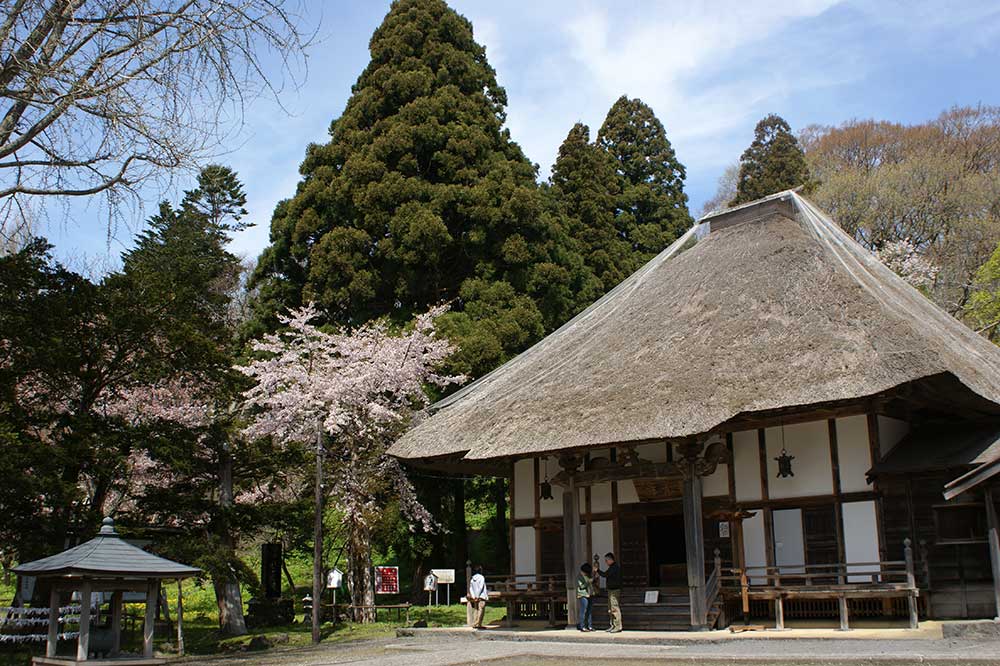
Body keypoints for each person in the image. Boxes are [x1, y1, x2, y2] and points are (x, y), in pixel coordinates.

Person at [597, 552, 622, 632]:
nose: (606, 562)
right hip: (611, 589)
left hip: (614, 590)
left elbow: (605, 575)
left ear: (611, 560)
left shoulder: (614, 567)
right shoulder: (612, 567)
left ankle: (618, 626)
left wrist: (597, 570)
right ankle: (612, 625)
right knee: (610, 608)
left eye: (606, 560)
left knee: (614, 607)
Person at [576, 562, 595, 631]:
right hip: (583, 594)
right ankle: (582, 626)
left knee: (589, 611)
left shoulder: (588, 576)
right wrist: (589, 581)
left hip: (590, 594)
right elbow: (581, 586)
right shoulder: (579, 576)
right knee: (583, 610)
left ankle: (589, 625)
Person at [468, 565, 488, 629]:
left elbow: (471, 588)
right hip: (481, 596)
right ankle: (479, 623)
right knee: (481, 610)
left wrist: (474, 596)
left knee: (476, 609)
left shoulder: (472, 578)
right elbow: (480, 587)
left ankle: (475, 623)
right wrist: (477, 595)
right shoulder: (481, 577)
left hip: (475, 597)